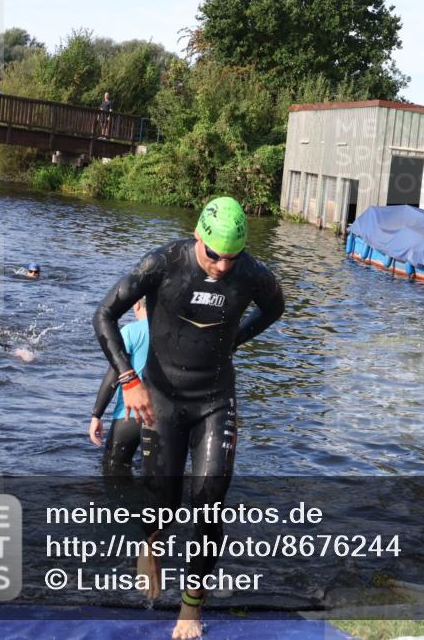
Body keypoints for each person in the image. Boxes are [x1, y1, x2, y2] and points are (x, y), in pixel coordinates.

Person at [93, 196, 284, 640]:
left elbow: (274, 309)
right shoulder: (162, 263)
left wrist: (235, 338)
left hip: (215, 397)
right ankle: (150, 542)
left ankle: (190, 608)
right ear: (198, 236)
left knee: (211, 496)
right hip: (161, 397)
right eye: (214, 255)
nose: (221, 266)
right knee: (164, 498)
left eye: (231, 258)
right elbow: (104, 315)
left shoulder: (251, 274)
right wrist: (128, 379)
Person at [89, 298, 149, 469]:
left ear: (136, 304)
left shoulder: (130, 331)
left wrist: (96, 415)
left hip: (129, 415)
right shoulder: (172, 332)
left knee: (113, 472)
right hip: (164, 417)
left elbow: (114, 375)